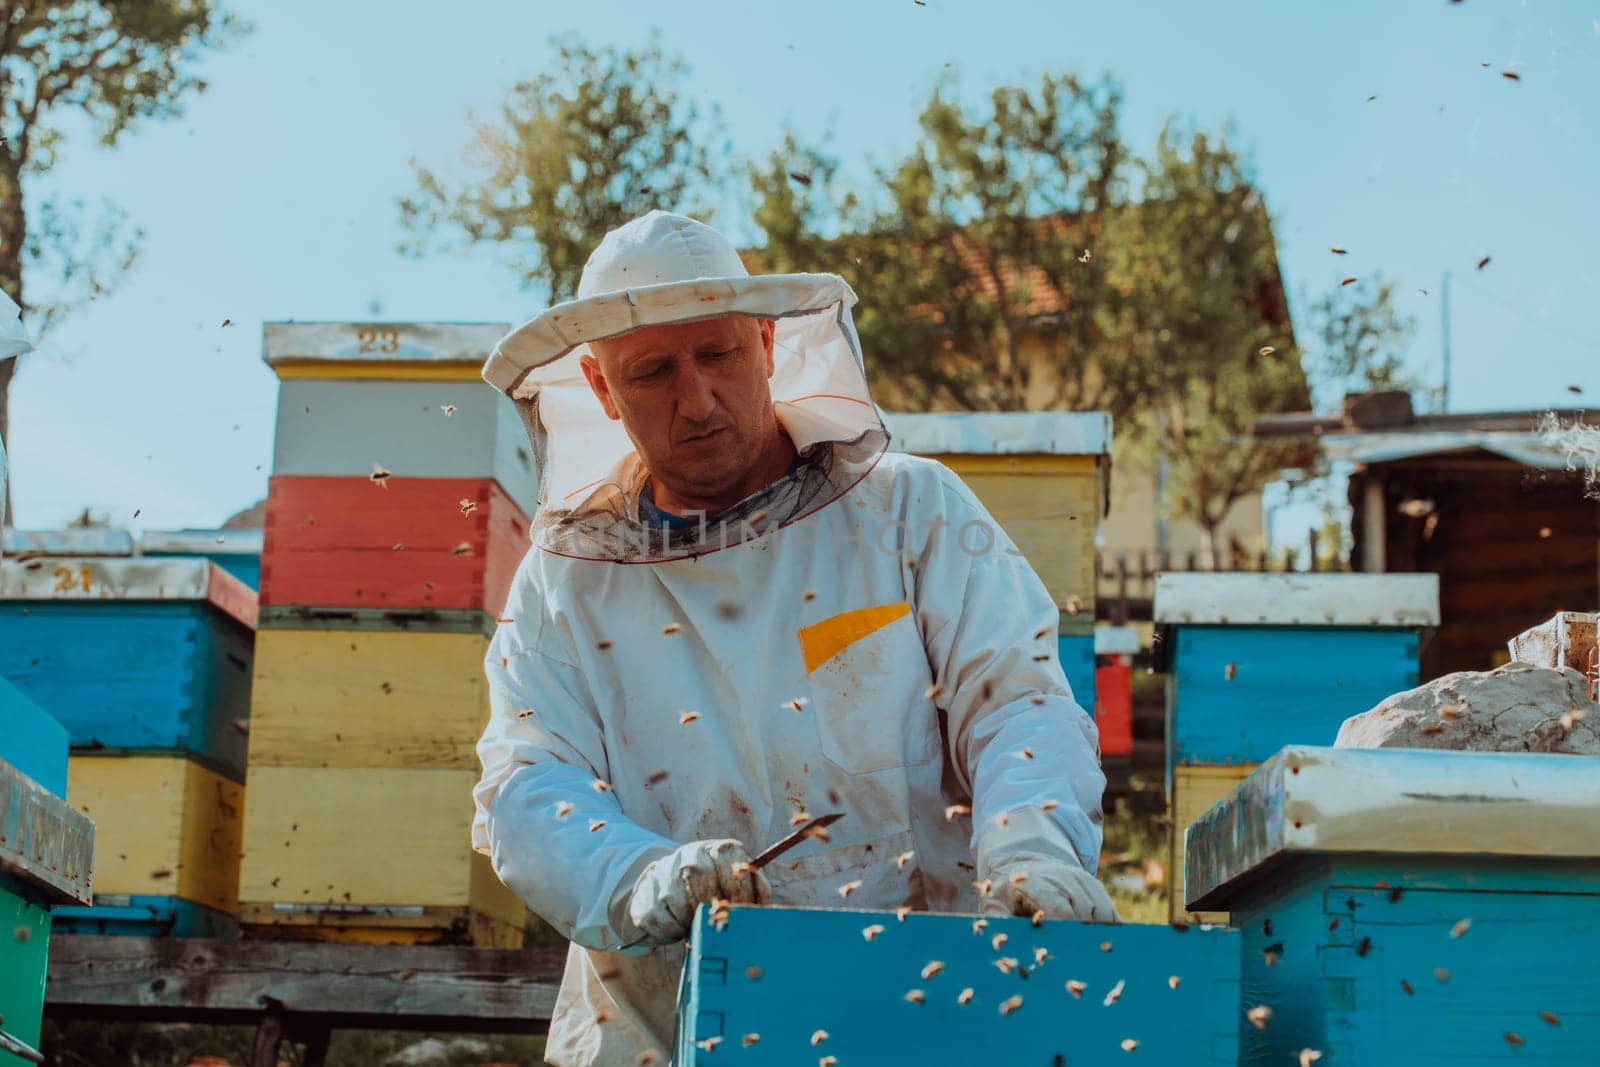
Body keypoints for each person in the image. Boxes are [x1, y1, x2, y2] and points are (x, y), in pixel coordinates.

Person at [472, 210, 1114, 1066]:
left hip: (934, 1001)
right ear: (600, 387)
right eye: (654, 370)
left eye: (720, 354)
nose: (695, 399)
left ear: (768, 343)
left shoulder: (911, 512)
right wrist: (638, 877)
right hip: (661, 1028)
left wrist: (1032, 844)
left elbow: (1016, 702)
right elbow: (526, 783)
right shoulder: (564, 583)